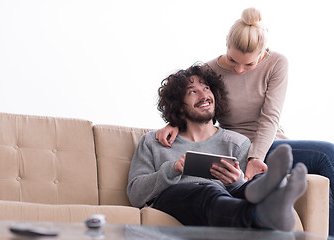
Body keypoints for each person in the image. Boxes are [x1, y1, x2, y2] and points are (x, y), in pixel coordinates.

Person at [155, 7, 334, 235]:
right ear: (226, 43)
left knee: (325, 165)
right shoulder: (209, 70)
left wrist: (256, 157)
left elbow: (270, 116)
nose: (239, 69)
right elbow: (191, 99)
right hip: (236, 147)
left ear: (263, 53)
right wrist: (175, 121)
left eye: (249, 65)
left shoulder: (277, 63)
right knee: (325, 156)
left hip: (267, 144)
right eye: (232, 61)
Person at [127, 64, 307, 231]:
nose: (204, 95)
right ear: (180, 107)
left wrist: (237, 182)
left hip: (222, 201)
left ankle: (273, 193)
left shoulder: (237, 143)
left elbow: (237, 191)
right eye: (193, 92)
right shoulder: (154, 141)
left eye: (206, 88)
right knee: (208, 190)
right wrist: (173, 169)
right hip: (172, 199)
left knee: (241, 188)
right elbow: (135, 194)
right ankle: (262, 212)